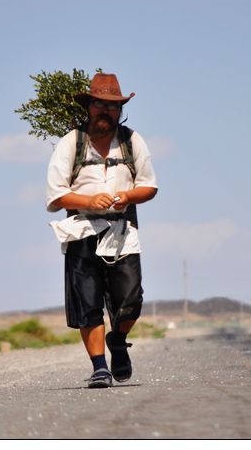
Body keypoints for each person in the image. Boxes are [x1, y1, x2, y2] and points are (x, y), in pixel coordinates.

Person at [45, 72, 158, 388]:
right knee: (88, 303)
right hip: (81, 232)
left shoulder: (132, 141)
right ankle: (99, 368)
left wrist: (128, 195)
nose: (105, 111)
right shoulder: (72, 142)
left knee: (131, 300)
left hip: (123, 232)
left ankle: (118, 339)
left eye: (112, 106)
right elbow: (54, 197)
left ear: (120, 109)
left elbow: (150, 186)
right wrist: (89, 201)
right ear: (89, 107)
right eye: (99, 104)